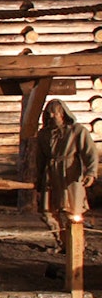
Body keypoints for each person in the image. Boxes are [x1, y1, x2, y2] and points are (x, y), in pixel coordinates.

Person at [34, 99, 98, 252]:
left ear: (62, 114)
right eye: (48, 114)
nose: (51, 117)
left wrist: (91, 172)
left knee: (72, 212)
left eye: (54, 113)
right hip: (50, 175)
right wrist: (39, 177)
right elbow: (40, 158)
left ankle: (77, 245)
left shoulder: (77, 131)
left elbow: (90, 153)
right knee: (48, 213)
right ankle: (63, 243)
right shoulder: (43, 134)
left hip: (70, 175)